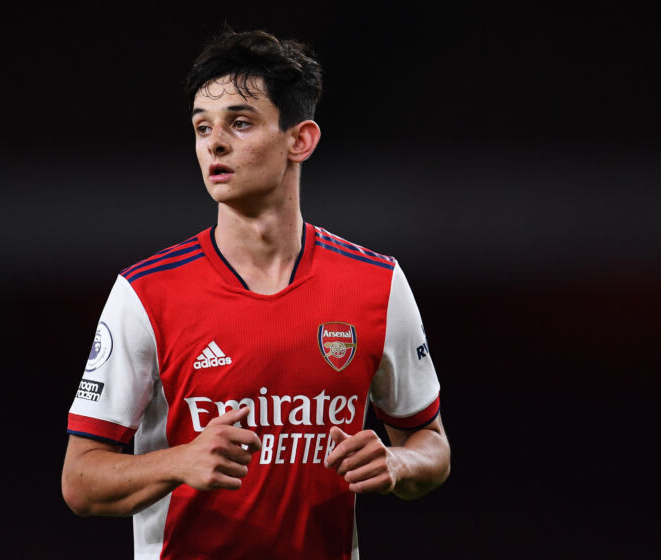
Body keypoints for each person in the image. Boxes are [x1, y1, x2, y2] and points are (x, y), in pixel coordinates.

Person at [62, 28, 450, 559]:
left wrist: (397, 462)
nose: (214, 143)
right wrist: (178, 461)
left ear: (300, 140)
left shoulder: (377, 283)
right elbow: (80, 480)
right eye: (203, 127)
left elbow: (430, 442)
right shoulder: (146, 292)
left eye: (239, 123)